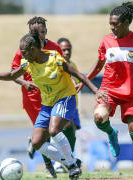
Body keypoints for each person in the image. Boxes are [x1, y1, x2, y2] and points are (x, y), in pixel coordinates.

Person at [0, 30, 106, 179]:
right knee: (37, 143)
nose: (22, 55)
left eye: (24, 52)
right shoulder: (27, 63)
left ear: (33, 49)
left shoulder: (55, 59)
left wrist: (95, 89)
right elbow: (12, 75)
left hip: (65, 97)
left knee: (54, 130)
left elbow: (77, 74)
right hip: (47, 103)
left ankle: (71, 166)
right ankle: (72, 161)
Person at [78, 2, 133, 180]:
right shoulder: (106, 41)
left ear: (127, 22)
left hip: (132, 94)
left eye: (115, 24)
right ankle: (112, 133)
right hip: (108, 90)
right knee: (98, 118)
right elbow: (98, 66)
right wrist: (84, 81)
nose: (112, 27)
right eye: (110, 23)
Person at [11, 16, 77, 178]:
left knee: (61, 128)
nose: (39, 35)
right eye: (34, 32)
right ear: (29, 33)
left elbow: (63, 68)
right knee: (42, 136)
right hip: (33, 98)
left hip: (55, 95)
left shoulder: (54, 48)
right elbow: (13, 73)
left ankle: (70, 161)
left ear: (46, 31)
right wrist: (24, 83)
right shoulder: (24, 48)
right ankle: (49, 166)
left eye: (41, 31)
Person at [52, 37, 81, 173]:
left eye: (68, 49)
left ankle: (70, 159)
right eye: (63, 49)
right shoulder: (55, 65)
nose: (67, 52)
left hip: (73, 104)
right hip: (61, 102)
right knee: (57, 131)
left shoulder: (73, 65)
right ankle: (58, 164)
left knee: (72, 132)